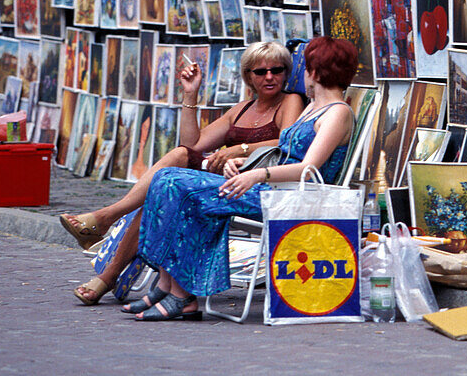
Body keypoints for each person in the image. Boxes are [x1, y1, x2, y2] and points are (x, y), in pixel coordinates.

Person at [128, 37, 358, 321]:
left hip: (289, 196)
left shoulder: (337, 113)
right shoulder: (314, 107)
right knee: (166, 178)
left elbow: (306, 168)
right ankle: (171, 286)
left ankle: (182, 294)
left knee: (178, 185)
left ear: (314, 70)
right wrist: (244, 162)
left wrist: (256, 174)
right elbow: (283, 154)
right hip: (272, 187)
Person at [60, 41, 303, 305]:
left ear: (286, 73)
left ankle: (106, 229)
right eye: (261, 72)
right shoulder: (241, 109)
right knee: (172, 168)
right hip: (220, 180)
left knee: (169, 183)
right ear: (248, 76)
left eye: (276, 70)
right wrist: (190, 95)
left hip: (249, 185)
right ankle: (108, 263)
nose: (269, 77)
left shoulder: (291, 101)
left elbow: (286, 141)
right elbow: (193, 144)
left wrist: (240, 149)